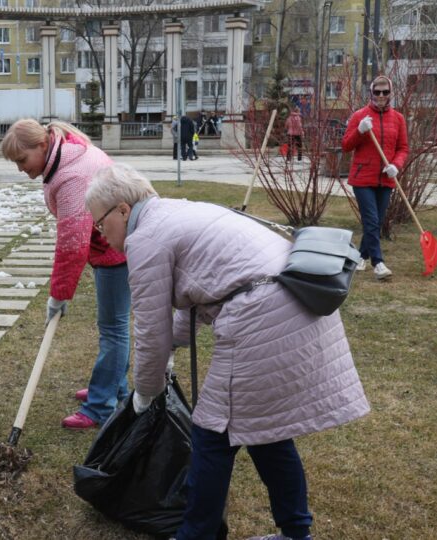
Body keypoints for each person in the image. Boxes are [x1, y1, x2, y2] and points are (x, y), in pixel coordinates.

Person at [85, 163, 371, 540]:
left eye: (100, 224)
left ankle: (196, 535)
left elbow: (150, 329)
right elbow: (198, 288)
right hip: (294, 298)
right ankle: (296, 534)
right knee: (266, 432)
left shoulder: (145, 238)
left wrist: (145, 395)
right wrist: (172, 344)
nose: (101, 234)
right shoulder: (175, 211)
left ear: (122, 209)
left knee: (212, 433)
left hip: (263, 314)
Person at [1, 119, 130, 430]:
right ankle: (115, 386)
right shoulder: (66, 151)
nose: (21, 169)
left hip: (119, 249)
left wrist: (58, 296)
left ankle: (100, 405)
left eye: (22, 160)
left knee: (114, 329)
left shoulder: (72, 175)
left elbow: (72, 246)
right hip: (113, 245)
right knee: (113, 326)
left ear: (43, 145)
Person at [342, 75, 408, 280]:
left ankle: (360, 256)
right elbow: (346, 146)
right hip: (363, 179)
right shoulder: (360, 116)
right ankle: (378, 263)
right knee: (371, 220)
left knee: (377, 222)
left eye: (385, 92)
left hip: (386, 179)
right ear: (371, 92)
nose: (381, 96)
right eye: (377, 92)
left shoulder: (398, 118)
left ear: (390, 94)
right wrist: (360, 131)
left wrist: (396, 165)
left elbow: (403, 148)